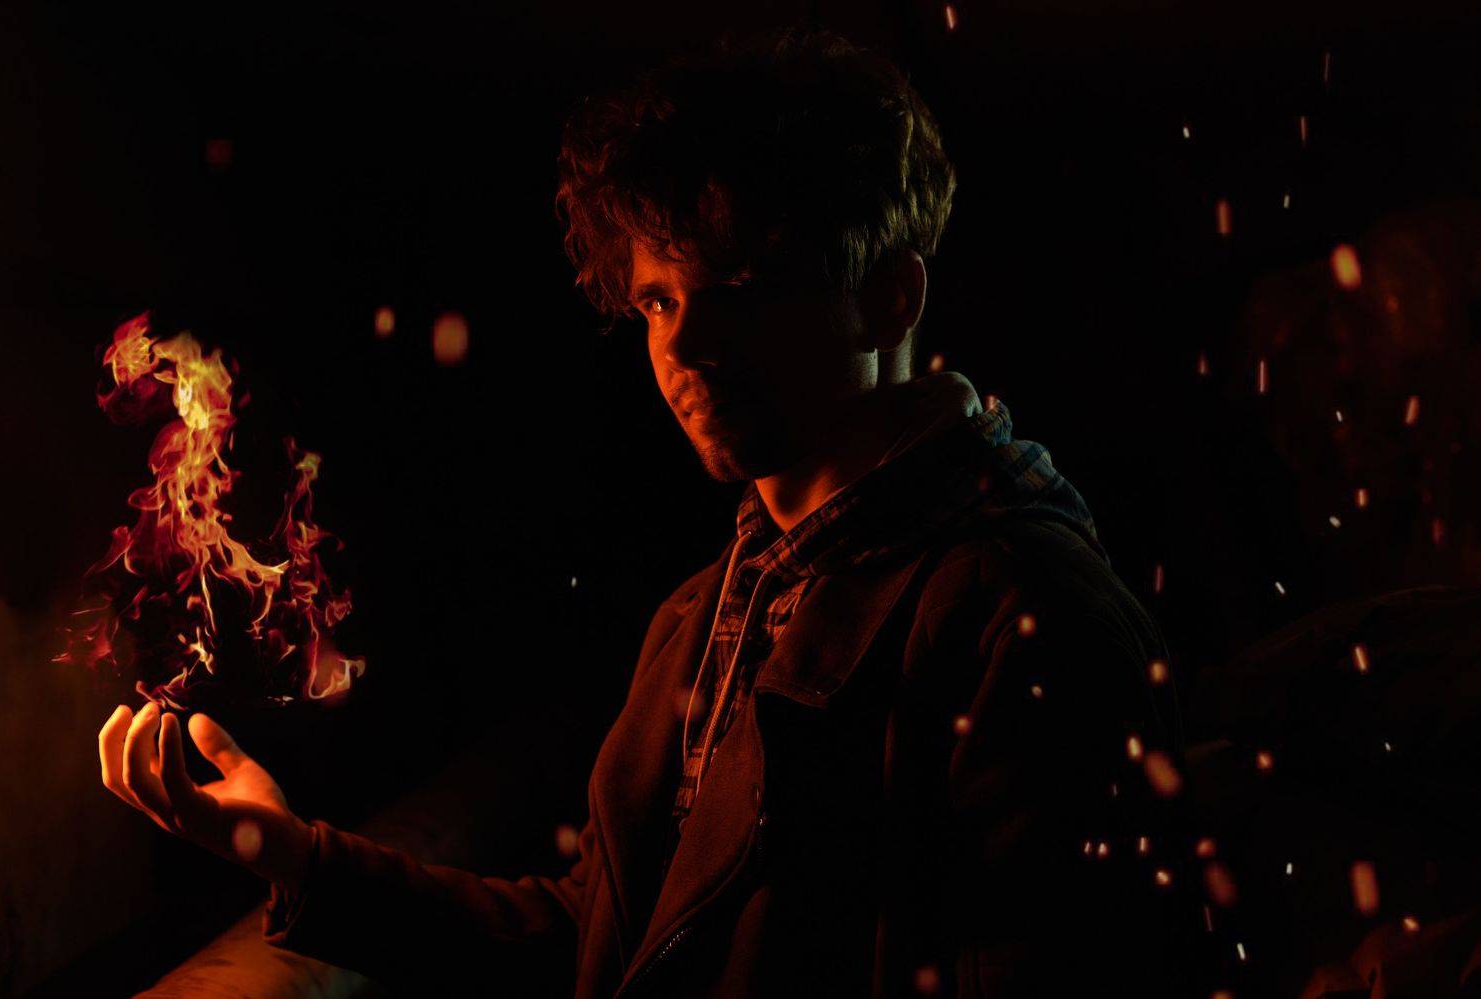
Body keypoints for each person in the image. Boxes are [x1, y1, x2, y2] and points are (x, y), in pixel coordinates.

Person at [98, 28, 1198, 996]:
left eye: (743, 288)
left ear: (890, 296)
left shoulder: (1028, 620)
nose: (685, 345)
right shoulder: (709, 611)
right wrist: (294, 856)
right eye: (660, 300)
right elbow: (596, 948)